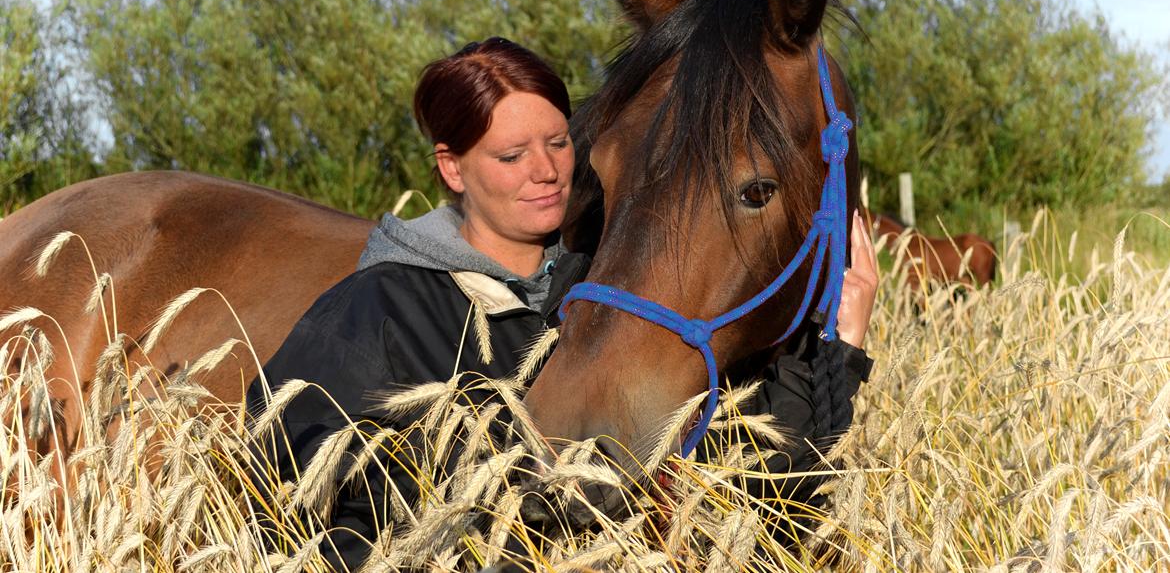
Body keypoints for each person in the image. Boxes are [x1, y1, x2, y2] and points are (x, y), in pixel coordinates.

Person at [245, 37, 877, 570]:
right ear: (453, 169)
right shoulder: (377, 310)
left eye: (558, 142)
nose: (545, 171)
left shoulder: (618, 306)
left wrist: (838, 347)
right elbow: (299, 511)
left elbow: (766, 501)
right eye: (511, 155)